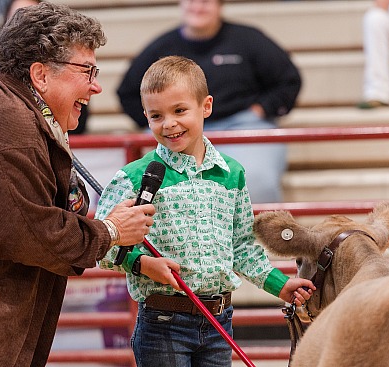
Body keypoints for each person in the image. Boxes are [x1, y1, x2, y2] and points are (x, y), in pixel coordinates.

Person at [0, 3, 155, 366]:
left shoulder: (0, 105)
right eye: (87, 71)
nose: (96, 86)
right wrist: (110, 231)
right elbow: (32, 236)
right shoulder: (6, 124)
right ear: (40, 74)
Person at [97, 56, 314, 367]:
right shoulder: (134, 177)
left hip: (218, 321)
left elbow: (241, 246)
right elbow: (102, 246)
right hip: (163, 324)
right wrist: (144, 264)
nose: (168, 123)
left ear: (206, 106)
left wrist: (281, 285)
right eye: (156, 115)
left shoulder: (231, 174)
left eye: (180, 110)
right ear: (145, 115)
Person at [116, 0, 301, 204]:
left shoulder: (249, 39)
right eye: (191, 0)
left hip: (241, 126)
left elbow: (288, 80)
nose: (198, 6)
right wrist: (159, 120)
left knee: (255, 181)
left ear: (219, 5)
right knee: (127, 182)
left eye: (205, 1)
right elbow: (127, 92)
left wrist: (261, 109)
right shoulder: (162, 46)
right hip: (176, 131)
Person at [0, 0, 90, 133]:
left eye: (33, 19)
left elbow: (79, 118)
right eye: (17, 19)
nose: (24, 26)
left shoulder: (64, 60)